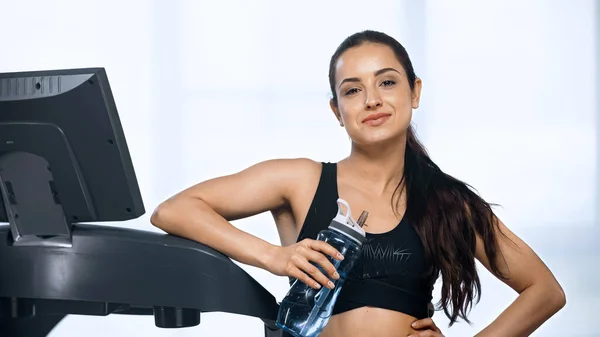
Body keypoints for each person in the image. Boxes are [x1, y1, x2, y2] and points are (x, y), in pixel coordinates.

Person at [150, 30, 566, 337]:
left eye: (387, 82)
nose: (372, 99)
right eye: (353, 90)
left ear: (414, 91)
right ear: (337, 110)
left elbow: (544, 290)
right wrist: (274, 256)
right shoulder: (299, 179)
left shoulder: (449, 201)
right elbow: (174, 210)